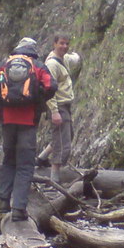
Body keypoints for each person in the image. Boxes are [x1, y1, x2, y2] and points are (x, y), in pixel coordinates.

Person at [0, 37, 56, 222]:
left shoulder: (5, 64)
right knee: (25, 165)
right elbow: (51, 86)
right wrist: (39, 97)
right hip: (28, 122)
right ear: (33, 50)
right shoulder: (37, 65)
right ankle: (19, 208)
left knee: (9, 160)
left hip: (7, 120)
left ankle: (3, 202)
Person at [42, 34, 81, 182]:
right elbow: (48, 89)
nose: (64, 46)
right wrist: (54, 111)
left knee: (67, 135)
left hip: (65, 105)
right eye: (61, 44)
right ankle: (54, 179)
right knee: (62, 142)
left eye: (67, 44)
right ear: (54, 44)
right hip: (58, 105)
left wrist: (76, 54)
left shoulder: (63, 58)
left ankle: (41, 158)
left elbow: (74, 58)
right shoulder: (52, 64)